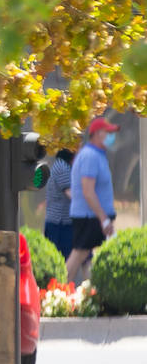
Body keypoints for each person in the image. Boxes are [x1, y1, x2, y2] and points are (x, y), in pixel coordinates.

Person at [65, 117, 118, 284]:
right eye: (107, 132)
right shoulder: (90, 156)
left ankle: (91, 295)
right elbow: (88, 191)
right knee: (80, 253)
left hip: (94, 216)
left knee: (88, 256)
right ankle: (58, 292)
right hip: (89, 217)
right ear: (96, 134)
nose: (111, 136)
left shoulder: (97, 155)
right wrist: (103, 219)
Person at [42, 148, 75, 260]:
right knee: (60, 258)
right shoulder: (62, 167)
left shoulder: (63, 166)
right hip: (59, 224)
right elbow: (71, 194)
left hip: (61, 223)